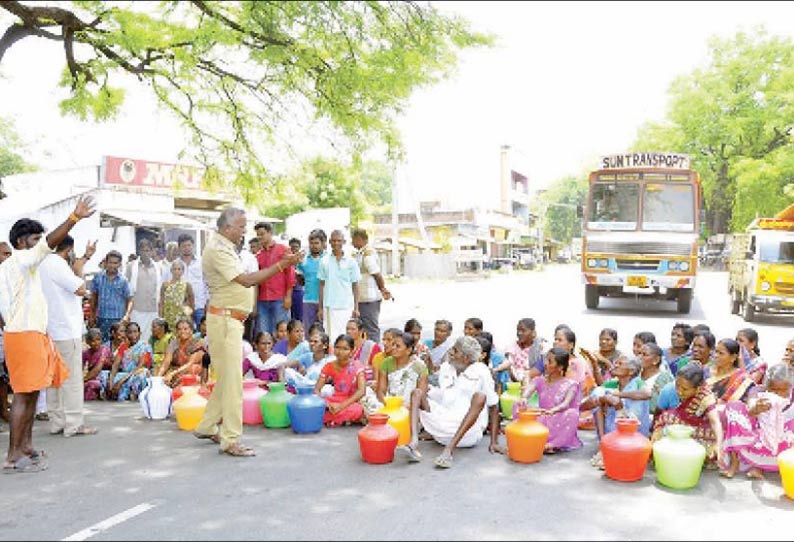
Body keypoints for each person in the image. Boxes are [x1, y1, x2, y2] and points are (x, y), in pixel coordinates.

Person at [193, 207, 302, 457]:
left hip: (229, 319)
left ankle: (208, 425)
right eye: (241, 227)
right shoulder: (218, 249)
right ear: (228, 227)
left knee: (229, 378)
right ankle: (230, 439)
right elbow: (246, 280)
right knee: (233, 383)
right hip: (225, 320)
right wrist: (281, 265)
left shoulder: (223, 247)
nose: (244, 232)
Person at [0, 195, 95, 473]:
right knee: (23, 396)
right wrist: (74, 218)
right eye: (34, 240)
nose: (41, 245)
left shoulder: (16, 267)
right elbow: (48, 245)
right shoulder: (20, 261)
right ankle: (13, 456)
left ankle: (25, 447)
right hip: (25, 335)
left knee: (30, 395)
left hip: (29, 334)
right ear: (21, 242)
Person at [400, 336, 502, 468]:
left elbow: (493, 406)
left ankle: (448, 451)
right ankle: (413, 443)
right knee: (417, 392)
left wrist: (494, 442)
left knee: (480, 396)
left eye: (455, 350)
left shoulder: (482, 371)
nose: (451, 352)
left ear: (465, 358)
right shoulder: (447, 367)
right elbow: (444, 396)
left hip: (467, 435)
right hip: (441, 429)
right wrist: (429, 390)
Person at [39, 234, 98, 437]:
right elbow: (80, 288)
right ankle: (74, 424)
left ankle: (58, 421)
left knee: (55, 378)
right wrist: (81, 269)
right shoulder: (57, 264)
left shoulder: (43, 262)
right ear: (68, 249)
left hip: (50, 328)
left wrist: (86, 257)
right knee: (71, 379)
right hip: (66, 329)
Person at [721, 364, 794, 479]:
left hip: (782, 442)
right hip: (756, 439)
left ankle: (759, 466)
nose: (777, 394)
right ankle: (736, 462)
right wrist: (756, 409)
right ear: (766, 386)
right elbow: (750, 409)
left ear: (790, 387)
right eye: (773, 390)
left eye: (782, 390)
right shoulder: (757, 391)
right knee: (734, 407)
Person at [651, 363, 724, 468]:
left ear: (698, 389)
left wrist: (718, 444)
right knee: (665, 418)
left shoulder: (706, 397)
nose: (679, 391)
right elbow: (659, 412)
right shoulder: (670, 389)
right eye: (677, 385)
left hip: (700, 432)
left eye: (684, 389)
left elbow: (715, 422)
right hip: (683, 424)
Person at [586, 356, 649, 469]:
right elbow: (585, 405)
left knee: (636, 398)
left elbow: (647, 394)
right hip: (612, 429)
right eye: (616, 362)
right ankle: (604, 443)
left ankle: (627, 444)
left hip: (635, 431)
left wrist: (617, 395)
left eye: (620, 363)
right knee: (599, 393)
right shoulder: (612, 384)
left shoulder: (637, 382)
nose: (615, 365)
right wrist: (604, 398)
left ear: (631, 371)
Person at [519, 347, 583, 453]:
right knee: (518, 405)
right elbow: (528, 391)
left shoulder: (571, 384)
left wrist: (552, 411)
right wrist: (524, 398)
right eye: (546, 360)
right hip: (541, 417)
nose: (545, 364)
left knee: (572, 414)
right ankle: (535, 440)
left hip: (558, 418)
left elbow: (566, 404)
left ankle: (552, 444)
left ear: (560, 367)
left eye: (550, 362)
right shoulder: (539, 380)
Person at [317, 230, 360, 347]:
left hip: (347, 306)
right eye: (334, 241)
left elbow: (355, 285)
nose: (336, 243)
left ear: (344, 242)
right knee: (331, 339)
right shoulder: (324, 261)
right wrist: (320, 307)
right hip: (330, 306)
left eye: (339, 241)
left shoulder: (351, 262)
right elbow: (321, 285)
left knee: (348, 337)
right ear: (329, 242)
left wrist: (356, 307)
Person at [314, 334, 367, 426]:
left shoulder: (357, 366)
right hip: (334, 400)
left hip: (351, 401)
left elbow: (361, 391)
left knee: (357, 410)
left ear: (352, 351)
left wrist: (341, 406)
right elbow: (316, 389)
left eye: (345, 349)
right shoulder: (329, 366)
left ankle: (332, 419)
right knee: (315, 407)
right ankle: (342, 419)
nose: (340, 352)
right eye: (337, 347)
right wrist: (327, 404)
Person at [255, 222, 295, 335]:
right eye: (258, 234)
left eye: (262, 234)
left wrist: (288, 297)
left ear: (270, 233)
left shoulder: (283, 250)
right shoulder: (258, 255)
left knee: (281, 333)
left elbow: (290, 274)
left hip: (280, 299)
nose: (259, 237)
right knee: (263, 334)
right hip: (262, 300)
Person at [351, 228, 391, 343]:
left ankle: (374, 355)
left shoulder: (368, 255)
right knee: (361, 329)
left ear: (364, 240)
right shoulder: (358, 254)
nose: (353, 242)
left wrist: (383, 289)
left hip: (369, 298)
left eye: (356, 239)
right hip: (361, 298)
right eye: (353, 239)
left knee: (371, 329)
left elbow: (377, 275)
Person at [99, 322, 152, 401]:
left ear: (140, 333)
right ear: (126, 334)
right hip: (125, 374)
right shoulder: (124, 346)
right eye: (130, 332)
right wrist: (110, 381)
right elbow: (115, 365)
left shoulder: (145, 346)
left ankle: (132, 395)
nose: (133, 335)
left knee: (143, 372)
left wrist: (121, 381)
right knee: (102, 374)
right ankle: (109, 392)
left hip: (135, 374)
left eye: (135, 332)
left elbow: (140, 366)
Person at [374, 332, 428, 408]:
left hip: (412, 406)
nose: (393, 348)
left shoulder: (420, 366)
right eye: (393, 345)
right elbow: (380, 392)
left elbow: (420, 395)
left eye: (398, 346)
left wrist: (405, 408)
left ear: (408, 350)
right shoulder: (386, 363)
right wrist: (388, 404)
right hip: (390, 403)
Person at [91, 250, 133, 342]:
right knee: (102, 347)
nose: (112, 266)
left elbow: (130, 299)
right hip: (101, 318)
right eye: (110, 262)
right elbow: (94, 297)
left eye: (115, 263)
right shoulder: (98, 277)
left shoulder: (123, 280)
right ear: (106, 262)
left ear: (119, 264)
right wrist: (92, 315)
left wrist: (127, 315)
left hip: (118, 319)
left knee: (117, 346)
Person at [125, 239, 162, 343]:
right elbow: (127, 289)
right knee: (136, 337)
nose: (146, 253)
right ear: (139, 252)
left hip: (153, 309)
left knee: (151, 338)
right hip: (137, 309)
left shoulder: (158, 267)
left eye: (148, 250)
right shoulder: (131, 267)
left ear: (152, 251)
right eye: (143, 250)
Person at [492, 318, 545, 385]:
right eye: (518, 330)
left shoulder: (539, 348)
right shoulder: (512, 347)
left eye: (523, 330)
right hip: (512, 385)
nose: (519, 333)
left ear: (533, 333)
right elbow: (508, 363)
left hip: (532, 386)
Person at [159, 318, 206, 387]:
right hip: (176, 372)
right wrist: (158, 377)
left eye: (185, 329)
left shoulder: (198, 344)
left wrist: (172, 374)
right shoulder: (173, 343)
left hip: (193, 373)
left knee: (193, 368)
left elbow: (190, 364)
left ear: (191, 331)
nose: (182, 331)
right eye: (179, 329)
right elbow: (166, 362)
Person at [297, 229, 326, 332]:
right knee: (309, 331)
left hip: (326, 301)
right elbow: (301, 281)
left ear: (323, 244)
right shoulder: (304, 259)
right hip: (308, 300)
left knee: (324, 331)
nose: (314, 245)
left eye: (317, 243)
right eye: (311, 243)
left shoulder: (328, 259)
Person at [160, 259, 194, 333]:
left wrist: (189, 316)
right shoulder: (165, 285)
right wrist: (161, 317)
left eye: (179, 269)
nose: (177, 271)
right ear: (171, 270)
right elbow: (161, 302)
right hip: (168, 315)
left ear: (183, 271)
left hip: (181, 316)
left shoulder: (187, 285)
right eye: (174, 269)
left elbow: (191, 301)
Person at [82, 328, 107, 401]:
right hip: (91, 378)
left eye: (98, 340)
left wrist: (83, 380)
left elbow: (98, 368)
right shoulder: (85, 353)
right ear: (88, 342)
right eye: (93, 341)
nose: (96, 343)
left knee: (91, 384)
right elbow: (80, 368)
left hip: (104, 378)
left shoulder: (104, 350)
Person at [288, 238, 305, 323]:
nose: (294, 249)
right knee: (289, 317)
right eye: (292, 247)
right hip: (287, 292)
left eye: (296, 247)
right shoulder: (286, 261)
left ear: (299, 248)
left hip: (298, 292)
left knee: (299, 317)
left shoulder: (303, 262)